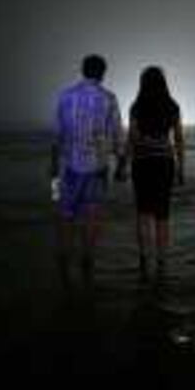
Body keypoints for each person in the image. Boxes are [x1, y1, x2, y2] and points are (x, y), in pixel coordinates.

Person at [50, 54, 126, 284]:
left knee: (66, 213)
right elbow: (117, 135)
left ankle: (64, 257)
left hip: (69, 167)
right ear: (103, 73)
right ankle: (87, 259)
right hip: (97, 167)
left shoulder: (65, 96)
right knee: (92, 213)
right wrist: (122, 164)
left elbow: (57, 135)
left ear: (83, 71)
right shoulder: (109, 98)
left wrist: (52, 165)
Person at [125, 66, 184, 276]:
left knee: (142, 214)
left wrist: (123, 162)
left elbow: (131, 137)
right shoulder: (172, 105)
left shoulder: (136, 106)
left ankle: (143, 260)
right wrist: (181, 167)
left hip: (142, 163)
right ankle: (161, 261)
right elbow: (178, 138)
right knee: (162, 215)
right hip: (164, 163)